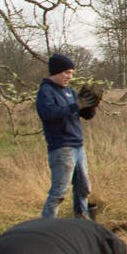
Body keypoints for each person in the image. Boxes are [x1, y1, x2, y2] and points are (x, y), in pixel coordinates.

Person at [36, 53, 99, 219]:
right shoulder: (46, 91)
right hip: (61, 147)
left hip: (78, 145)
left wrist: (90, 107)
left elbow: (82, 114)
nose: (69, 77)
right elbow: (48, 114)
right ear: (55, 72)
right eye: (66, 73)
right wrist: (75, 106)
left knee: (83, 187)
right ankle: (47, 225)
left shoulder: (69, 91)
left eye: (71, 73)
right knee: (59, 191)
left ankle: (81, 218)